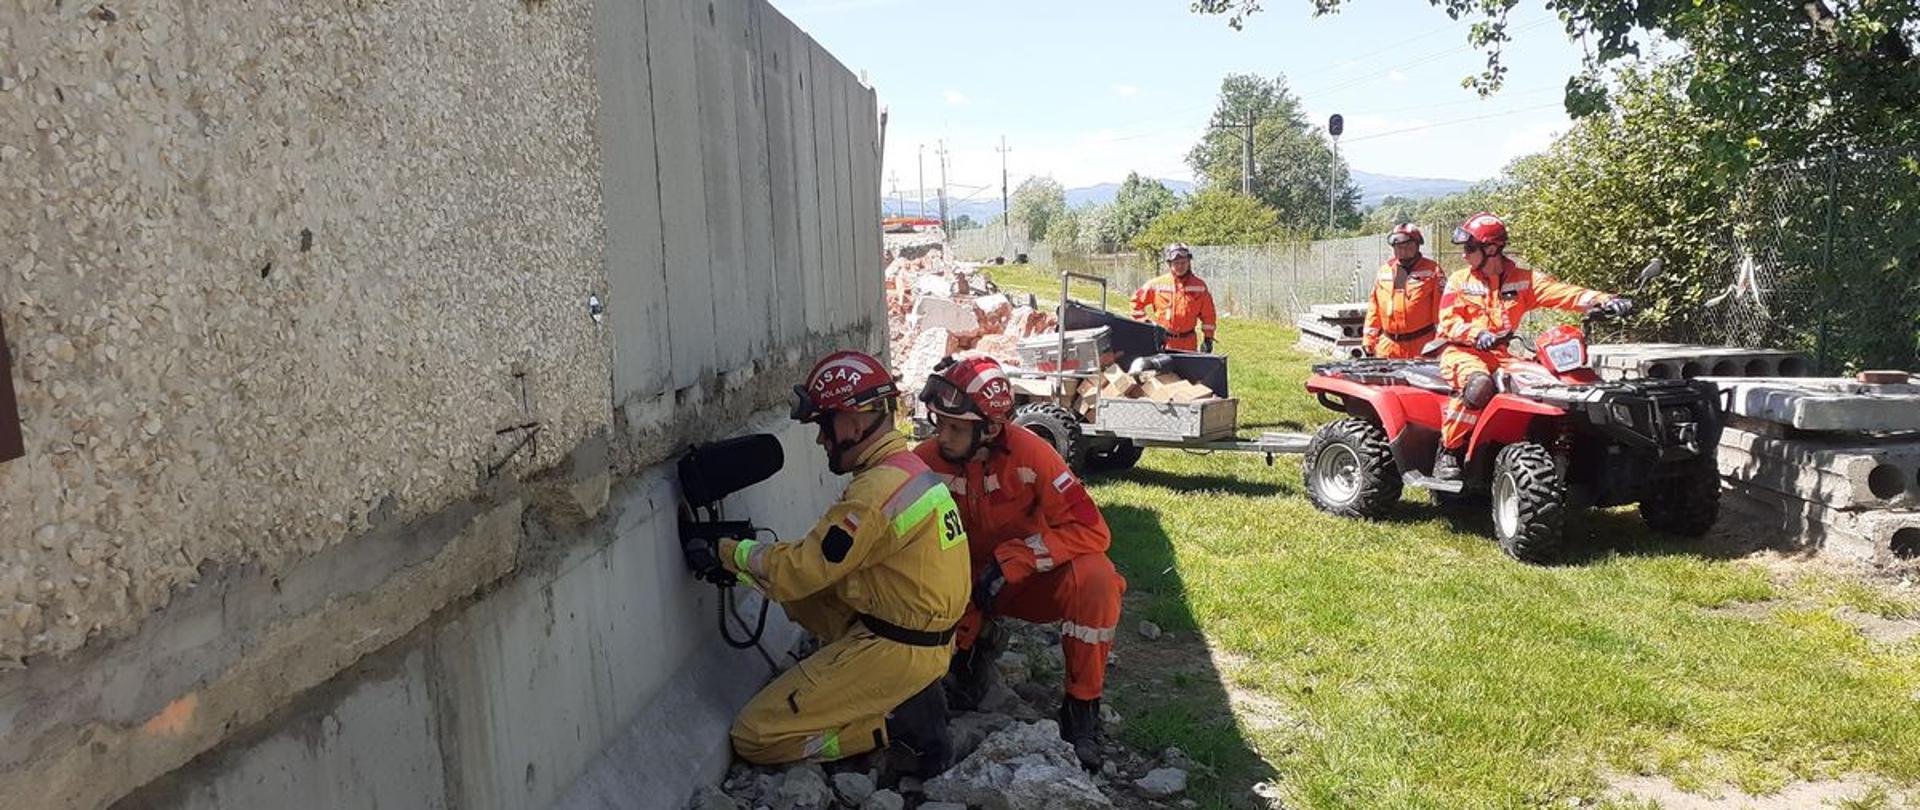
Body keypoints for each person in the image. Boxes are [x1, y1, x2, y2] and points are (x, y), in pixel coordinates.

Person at [681, 350, 972, 776]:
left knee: (756, 735)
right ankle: (895, 695)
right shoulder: (907, 469)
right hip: (921, 639)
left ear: (852, 421)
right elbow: (816, 573)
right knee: (803, 595)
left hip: (896, 649)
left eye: (824, 424)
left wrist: (728, 551)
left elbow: (803, 568)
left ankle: (890, 727)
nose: (821, 440)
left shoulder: (876, 491)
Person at [912, 355, 1126, 770]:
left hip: (1024, 582)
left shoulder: (1034, 456)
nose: (943, 436)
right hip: (959, 587)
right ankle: (966, 661)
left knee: (1097, 579)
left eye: (956, 427)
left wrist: (1019, 557)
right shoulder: (925, 461)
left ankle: (1081, 713)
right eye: (940, 423)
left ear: (991, 428)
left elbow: (1093, 531)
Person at [1433, 214, 1633, 480]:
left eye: (1469, 248)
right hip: (1462, 352)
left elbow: (1564, 293)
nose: (1463, 255)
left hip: (1501, 354)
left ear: (1491, 249)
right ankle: (1449, 450)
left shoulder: (1523, 280)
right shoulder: (1460, 281)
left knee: (1550, 384)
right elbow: (1447, 322)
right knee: (1479, 384)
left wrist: (1607, 300)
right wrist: (1476, 333)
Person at [1363, 224, 1445, 359]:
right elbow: (1374, 307)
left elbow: (1441, 312)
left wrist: (1440, 343)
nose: (1400, 249)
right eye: (1396, 246)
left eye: (1405, 245)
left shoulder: (1432, 271)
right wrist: (1369, 338)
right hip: (1388, 347)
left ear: (1416, 245)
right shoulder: (1385, 271)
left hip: (1422, 347)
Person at [1131, 243, 1219, 353]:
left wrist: (1208, 339)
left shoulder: (1199, 286)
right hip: (1163, 342)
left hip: (1189, 343)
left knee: (1187, 370)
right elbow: (1136, 302)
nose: (1180, 266)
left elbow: (1209, 315)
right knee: (1163, 370)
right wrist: (1146, 324)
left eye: (1183, 262)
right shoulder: (1157, 284)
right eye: (1176, 263)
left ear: (1189, 262)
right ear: (1170, 264)